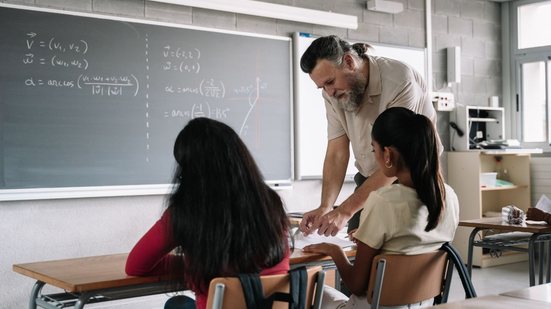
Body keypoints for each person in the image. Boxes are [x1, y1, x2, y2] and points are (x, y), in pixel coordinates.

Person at [125, 117, 291, 309]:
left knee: (176, 304)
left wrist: (198, 261)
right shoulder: (270, 203)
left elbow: (136, 266)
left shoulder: (185, 211)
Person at [303, 107, 459, 308]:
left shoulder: (384, 201)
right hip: (422, 305)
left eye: (373, 149)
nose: (374, 155)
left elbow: (356, 285)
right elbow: (410, 243)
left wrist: (335, 251)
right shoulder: (450, 197)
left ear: (388, 154)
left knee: (309, 288)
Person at [298, 35, 442, 236]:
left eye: (330, 82)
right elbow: (336, 153)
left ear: (349, 62)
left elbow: (398, 159)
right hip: (369, 178)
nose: (329, 92)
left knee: (395, 251)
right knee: (356, 246)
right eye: (322, 87)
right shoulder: (331, 94)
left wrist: (345, 210)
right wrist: (326, 207)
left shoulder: (399, 80)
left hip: (411, 177)